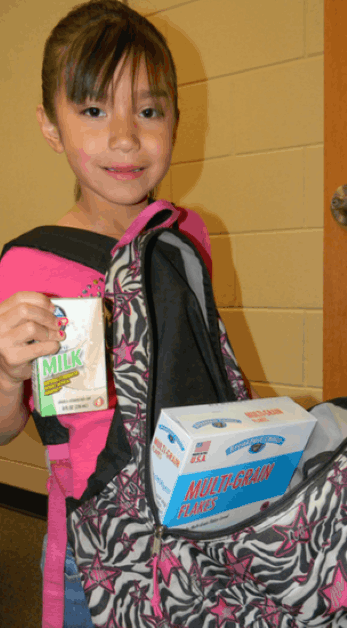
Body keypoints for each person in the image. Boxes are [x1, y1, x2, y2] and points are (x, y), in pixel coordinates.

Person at [0, 2, 214, 626]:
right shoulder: (27, 265)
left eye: (148, 111)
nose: (125, 137)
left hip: (195, 524)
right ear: (51, 126)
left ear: (175, 121)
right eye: (94, 111)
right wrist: (8, 374)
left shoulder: (183, 237)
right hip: (96, 543)